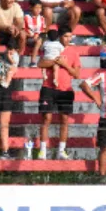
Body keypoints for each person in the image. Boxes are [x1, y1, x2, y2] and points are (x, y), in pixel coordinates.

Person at [36, 29, 79, 160]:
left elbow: (76, 74)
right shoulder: (50, 46)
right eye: (66, 36)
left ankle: (61, 150)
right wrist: (56, 62)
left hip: (65, 90)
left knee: (64, 120)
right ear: (60, 37)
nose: (68, 39)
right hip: (48, 87)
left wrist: (64, 64)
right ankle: (42, 150)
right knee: (46, 118)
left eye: (70, 37)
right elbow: (40, 63)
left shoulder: (73, 52)